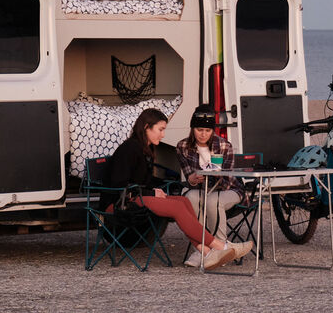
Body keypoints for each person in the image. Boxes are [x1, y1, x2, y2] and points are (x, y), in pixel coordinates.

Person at [107, 108, 252, 271]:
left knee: (183, 200)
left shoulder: (146, 148)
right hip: (120, 203)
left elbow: (143, 182)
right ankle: (221, 246)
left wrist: (156, 188)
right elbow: (118, 186)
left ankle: (205, 252)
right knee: (177, 206)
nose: (163, 135)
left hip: (136, 197)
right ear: (146, 127)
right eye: (160, 130)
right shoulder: (130, 148)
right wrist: (152, 192)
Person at [176, 107, 245, 268]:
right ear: (192, 129)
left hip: (229, 189)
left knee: (213, 199)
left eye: (208, 130)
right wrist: (192, 179)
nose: (203, 134)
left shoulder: (223, 145)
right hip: (200, 189)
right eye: (199, 129)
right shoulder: (183, 146)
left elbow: (228, 179)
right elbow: (188, 176)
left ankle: (220, 246)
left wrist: (213, 176)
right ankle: (202, 249)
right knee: (190, 198)